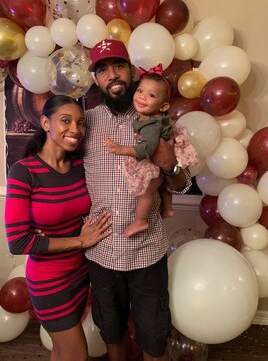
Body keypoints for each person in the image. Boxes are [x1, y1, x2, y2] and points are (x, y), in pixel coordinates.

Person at [84, 38, 192, 361]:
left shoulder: (160, 120)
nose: (112, 75)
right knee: (112, 330)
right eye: (102, 70)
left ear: (131, 71)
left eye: (118, 66)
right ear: (96, 79)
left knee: (155, 336)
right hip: (101, 251)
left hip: (147, 252)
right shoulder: (86, 122)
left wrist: (167, 162)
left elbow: (183, 184)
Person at [4, 95, 112, 361]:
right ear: (45, 123)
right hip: (49, 281)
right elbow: (18, 242)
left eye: (81, 123)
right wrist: (78, 241)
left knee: (63, 350)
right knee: (76, 353)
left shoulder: (79, 166)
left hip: (80, 273)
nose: (75, 129)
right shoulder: (23, 171)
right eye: (65, 120)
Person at [104, 64, 198, 237]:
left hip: (149, 249)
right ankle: (167, 207)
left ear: (163, 106)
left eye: (151, 95)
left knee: (146, 190)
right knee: (159, 183)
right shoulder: (154, 118)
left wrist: (121, 149)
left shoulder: (150, 124)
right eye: (140, 91)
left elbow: (146, 149)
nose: (142, 97)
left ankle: (140, 221)